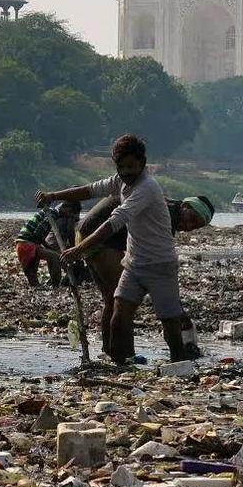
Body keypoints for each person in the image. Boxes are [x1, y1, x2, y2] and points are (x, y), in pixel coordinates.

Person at [35, 134, 187, 363]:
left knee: (169, 322)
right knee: (119, 316)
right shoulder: (120, 181)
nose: (126, 172)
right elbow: (89, 190)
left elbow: (114, 222)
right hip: (134, 264)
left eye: (131, 167)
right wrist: (53, 196)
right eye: (121, 167)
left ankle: (180, 364)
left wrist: (78, 250)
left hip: (160, 264)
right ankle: (122, 364)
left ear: (142, 164)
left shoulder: (147, 187)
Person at [77, 193, 214, 358]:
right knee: (122, 303)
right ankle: (123, 356)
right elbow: (158, 266)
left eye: (195, 226)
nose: (188, 225)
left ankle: (110, 351)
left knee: (111, 299)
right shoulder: (165, 215)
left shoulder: (166, 207)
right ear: (185, 206)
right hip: (100, 238)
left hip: (85, 232)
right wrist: (176, 308)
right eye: (191, 218)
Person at [14, 201, 81, 288]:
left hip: (25, 243)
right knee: (55, 257)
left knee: (33, 277)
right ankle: (56, 286)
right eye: (69, 213)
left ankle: (45, 286)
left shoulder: (53, 213)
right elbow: (38, 233)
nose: (68, 216)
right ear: (65, 208)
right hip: (27, 244)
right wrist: (48, 247)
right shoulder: (52, 214)